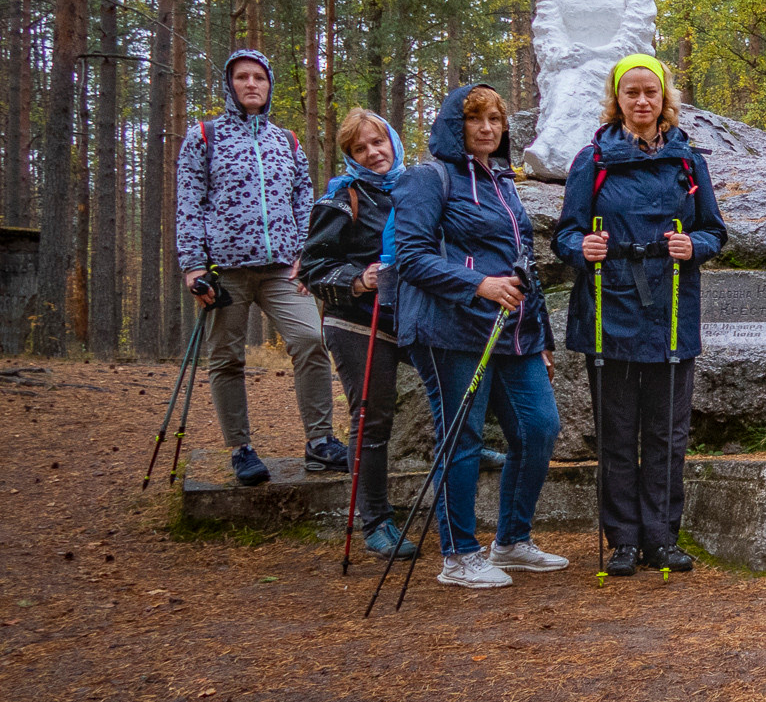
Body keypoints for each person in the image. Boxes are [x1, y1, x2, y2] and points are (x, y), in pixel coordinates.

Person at [554, 55, 728, 578]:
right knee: (616, 433)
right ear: (617, 99)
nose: (642, 100)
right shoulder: (592, 160)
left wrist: (693, 245)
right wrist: (581, 247)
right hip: (609, 308)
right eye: (631, 92)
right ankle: (624, 541)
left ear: (664, 98)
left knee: (666, 435)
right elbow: (566, 233)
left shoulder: (688, 162)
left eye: (650, 91)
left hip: (671, 309)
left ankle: (661, 538)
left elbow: (715, 231)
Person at [392, 83, 566, 591]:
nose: (487, 128)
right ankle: (459, 555)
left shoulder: (503, 181)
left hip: (513, 331)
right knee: (462, 438)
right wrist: (478, 284)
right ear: (455, 124)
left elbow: (523, 264)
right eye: (475, 119)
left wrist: (541, 335)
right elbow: (411, 257)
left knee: (539, 427)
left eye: (495, 119)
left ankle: (511, 541)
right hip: (448, 328)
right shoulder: (428, 178)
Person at [174, 49, 341, 487]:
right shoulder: (205, 136)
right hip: (224, 270)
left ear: (269, 85)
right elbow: (189, 203)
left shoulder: (286, 141)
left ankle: (320, 442)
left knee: (310, 339)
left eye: (259, 77)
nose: (251, 84)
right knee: (226, 358)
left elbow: (304, 197)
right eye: (242, 77)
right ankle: (241, 449)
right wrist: (193, 266)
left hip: (283, 268)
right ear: (229, 85)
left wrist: (306, 252)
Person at [300, 109, 414, 558]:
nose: (372, 153)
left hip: (410, 317)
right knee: (372, 418)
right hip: (356, 320)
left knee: (455, 388)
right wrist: (359, 278)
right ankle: (376, 521)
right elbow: (313, 267)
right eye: (359, 149)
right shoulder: (340, 198)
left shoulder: (416, 187)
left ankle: (470, 447)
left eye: (378, 142)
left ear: (393, 141)